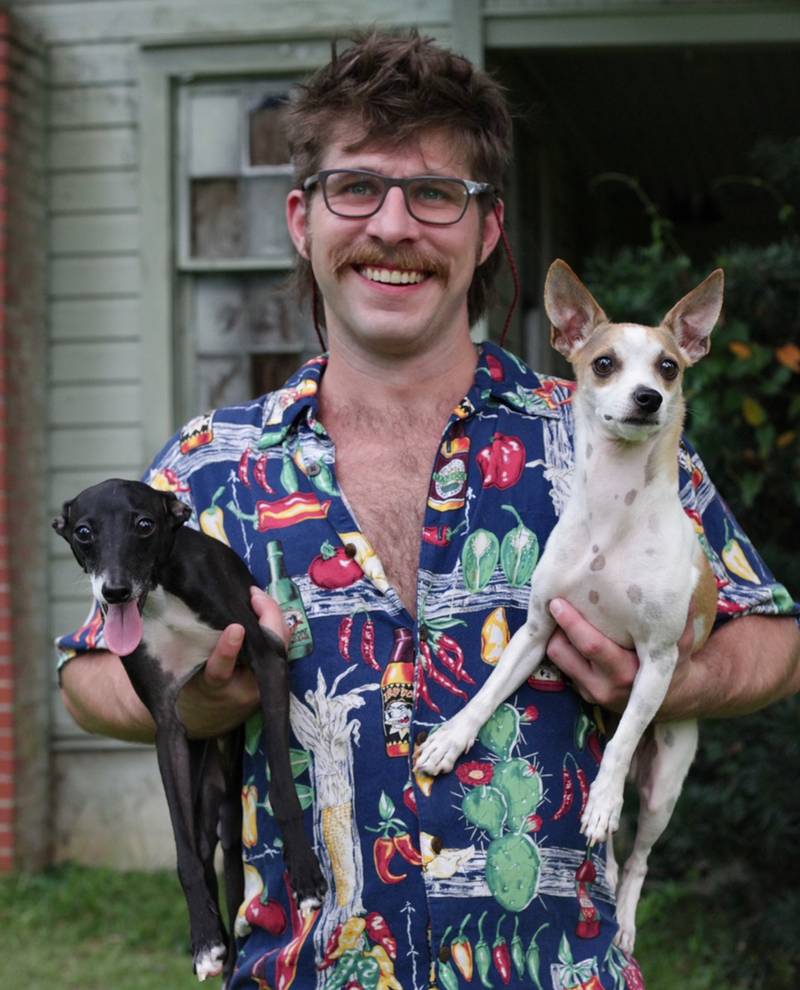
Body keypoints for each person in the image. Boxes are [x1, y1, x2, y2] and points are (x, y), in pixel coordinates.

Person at [59, 29, 800, 990]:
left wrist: (667, 681)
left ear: (488, 229)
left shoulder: (607, 435)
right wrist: (193, 697)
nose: (394, 226)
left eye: (436, 194)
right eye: (355, 187)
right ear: (303, 219)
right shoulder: (210, 467)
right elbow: (86, 675)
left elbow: (774, 639)